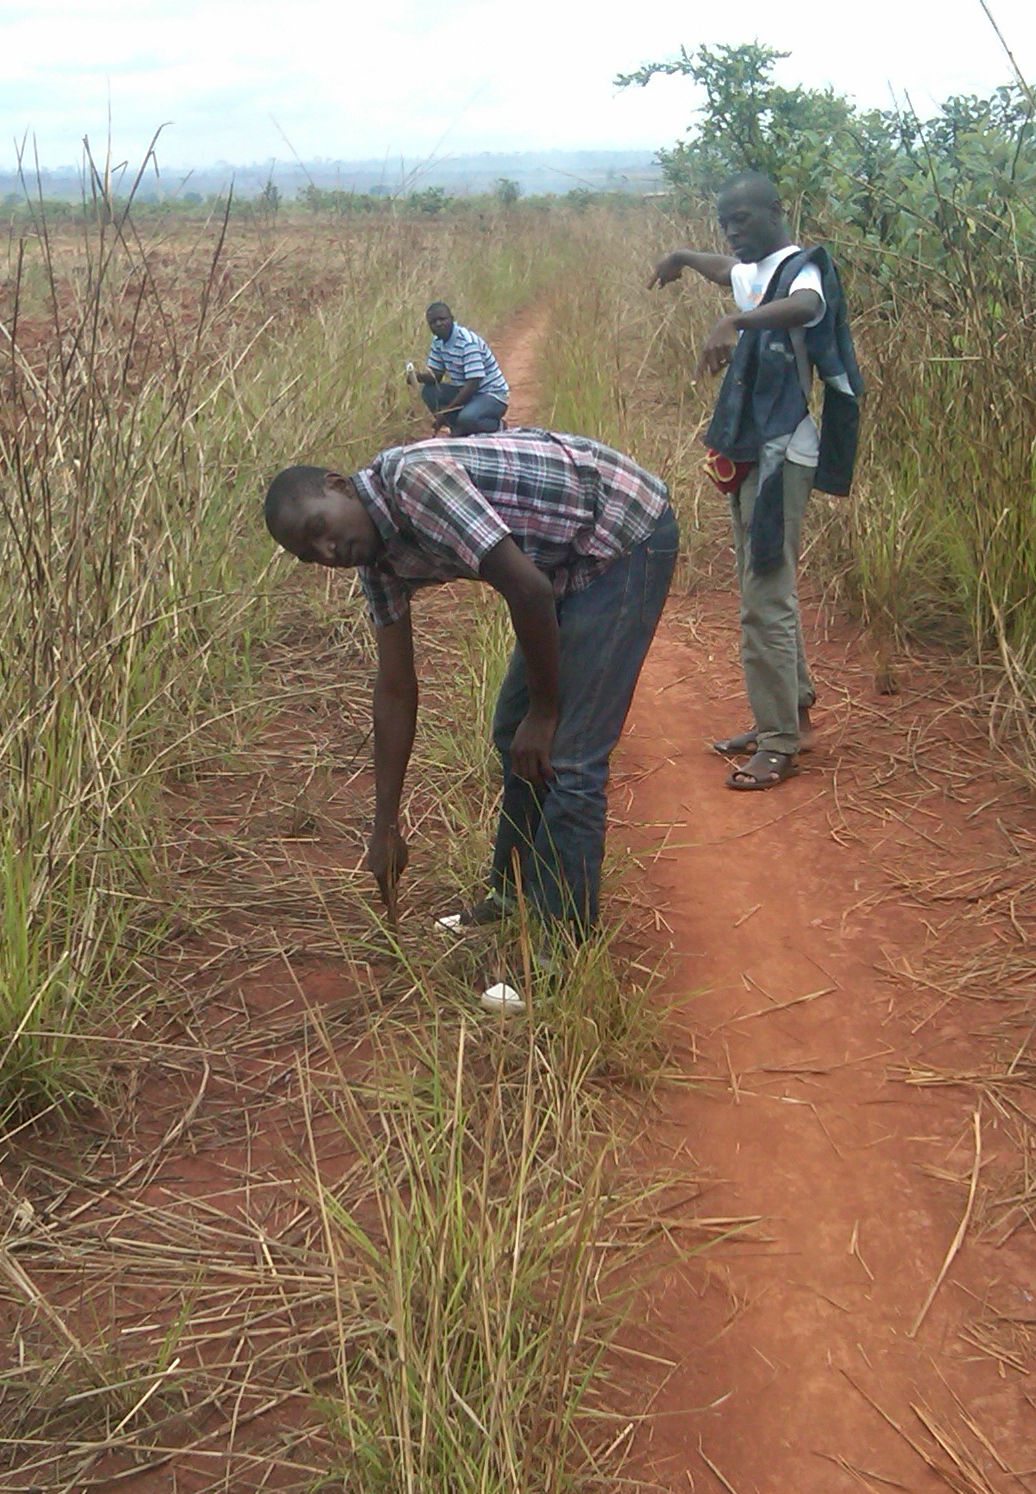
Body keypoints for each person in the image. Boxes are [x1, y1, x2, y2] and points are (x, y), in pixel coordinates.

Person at [261, 428, 677, 1005]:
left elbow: (528, 591)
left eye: (319, 529)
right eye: (312, 556)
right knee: (512, 732)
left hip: (622, 533)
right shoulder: (377, 565)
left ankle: (561, 960)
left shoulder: (414, 482)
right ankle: (511, 896)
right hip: (561, 561)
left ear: (340, 485)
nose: (329, 552)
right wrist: (385, 826)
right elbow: (395, 688)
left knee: (568, 754)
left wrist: (546, 711)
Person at [648, 170, 862, 791]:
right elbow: (729, 271)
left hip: (780, 457)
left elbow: (808, 307)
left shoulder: (802, 270)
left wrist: (734, 324)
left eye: (742, 219)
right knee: (761, 585)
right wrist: (682, 257)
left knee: (765, 600)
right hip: (751, 453)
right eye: (725, 223)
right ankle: (792, 711)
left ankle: (778, 742)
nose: (732, 232)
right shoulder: (760, 273)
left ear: (777, 210)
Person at [414, 301, 510, 436]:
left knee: (467, 418)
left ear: (452, 319)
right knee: (429, 392)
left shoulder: (467, 343)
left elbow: (473, 384)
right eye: (433, 322)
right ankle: (458, 427)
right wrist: (416, 377)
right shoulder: (437, 342)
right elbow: (436, 375)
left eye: (442, 319)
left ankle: (497, 426)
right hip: (466, 391)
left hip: (491, 394)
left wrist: (446, 411)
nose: (439, 324)